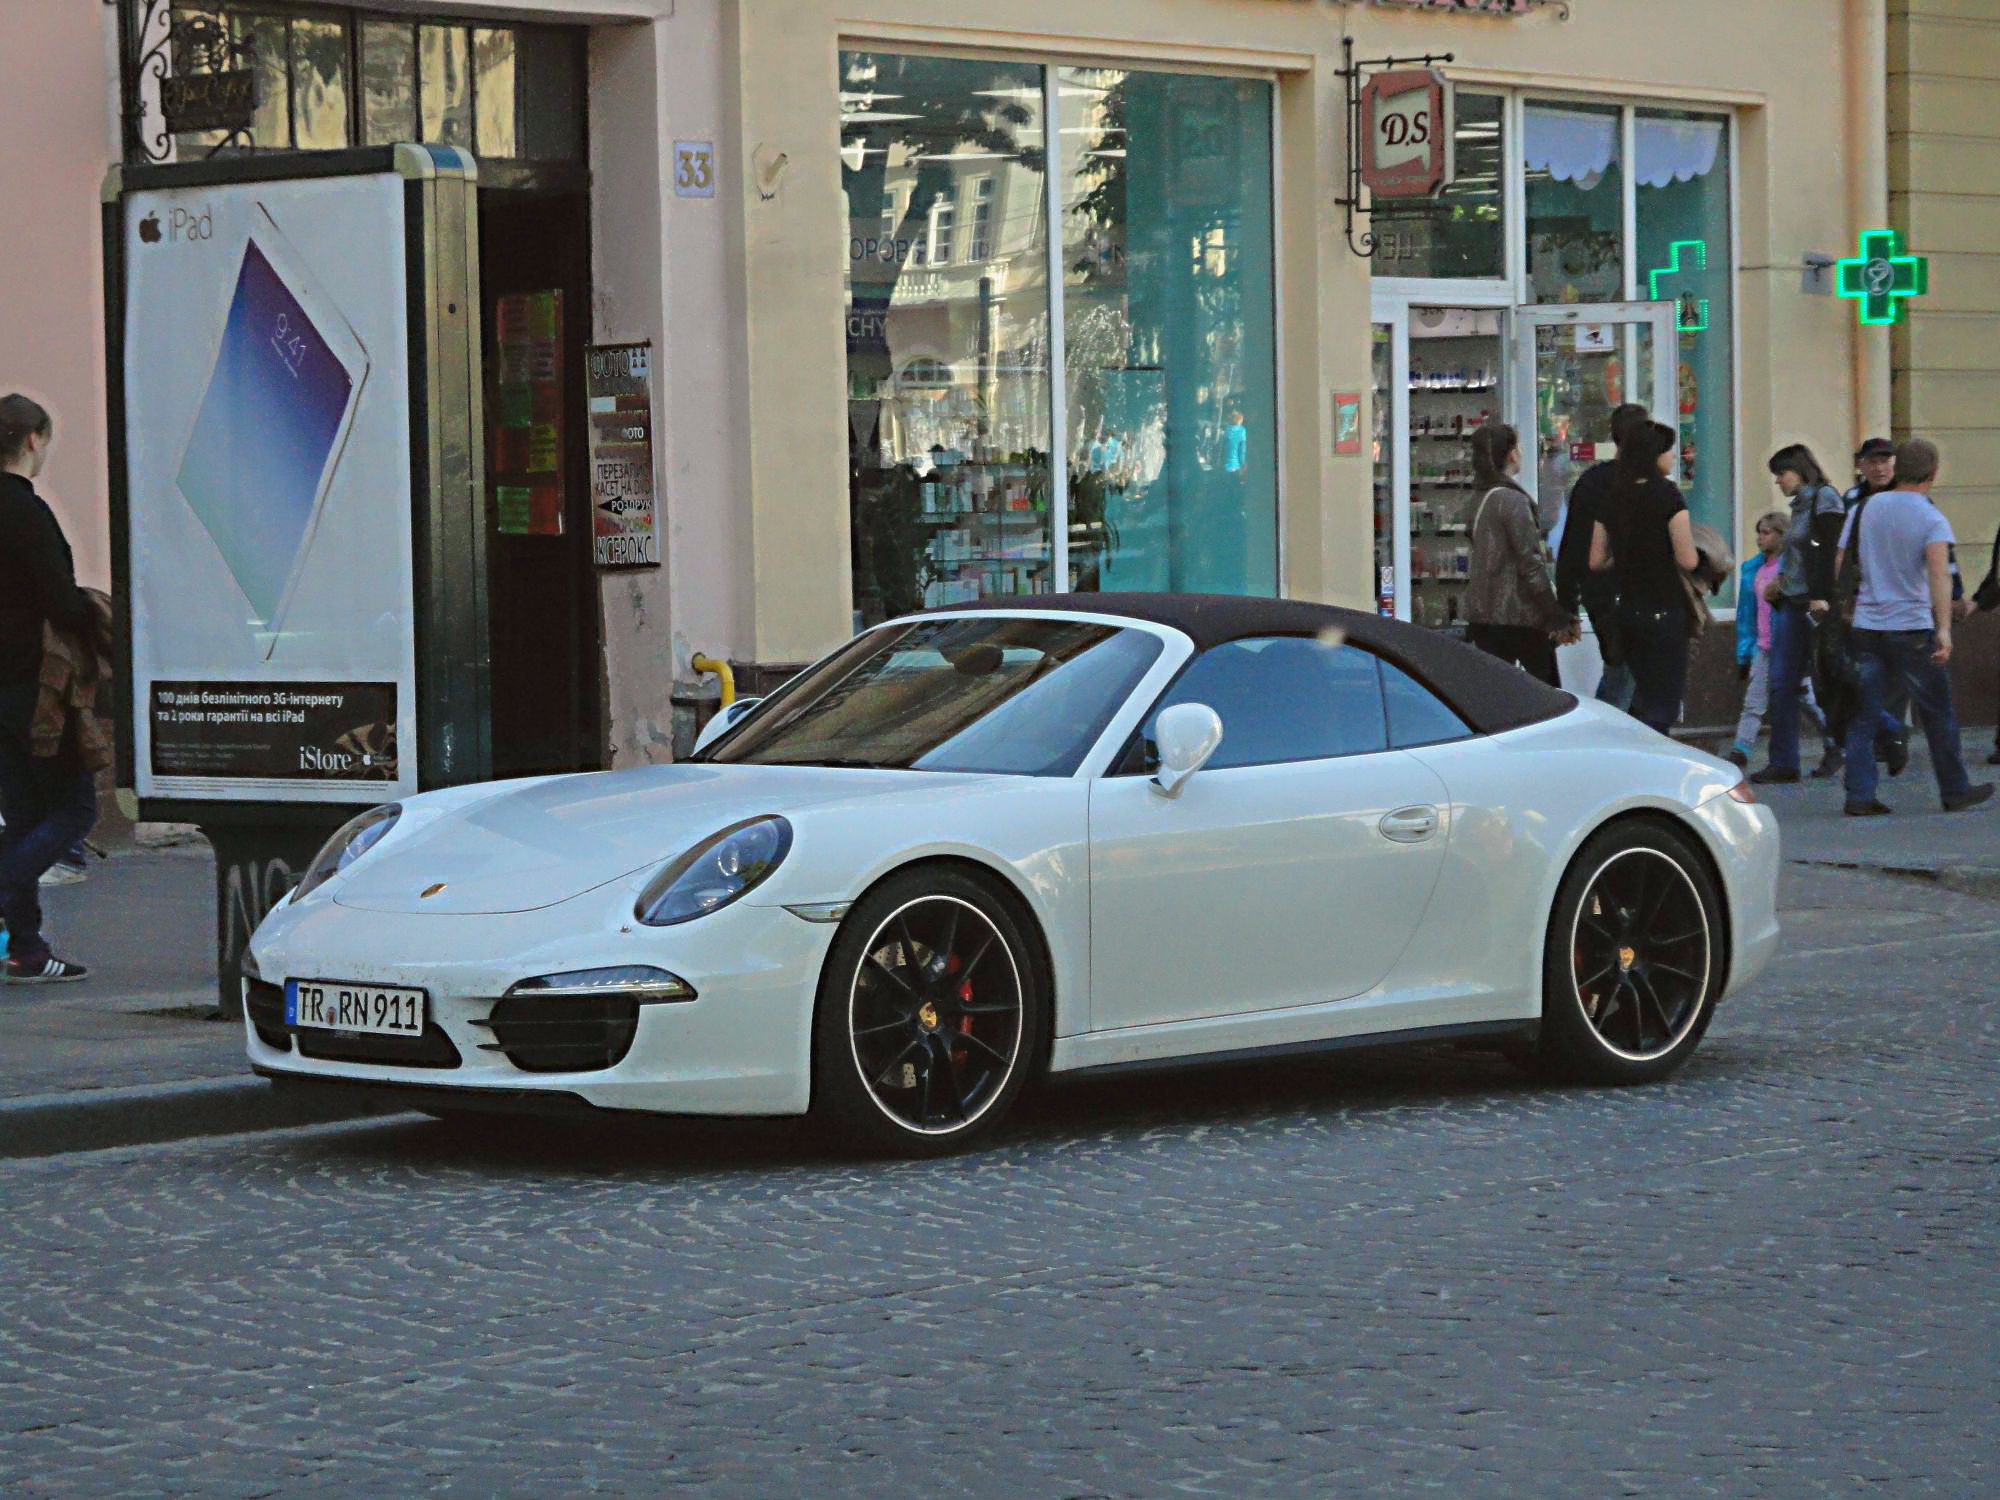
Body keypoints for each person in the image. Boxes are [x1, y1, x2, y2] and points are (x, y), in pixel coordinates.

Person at [1834, 438, 1990, 817]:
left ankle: (1859, 794)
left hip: (1868, 625)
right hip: (1912, 627)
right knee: (1937, 711)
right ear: (1933, 474)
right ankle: (1955, 789)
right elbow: (1938, 573)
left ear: (1897, 468)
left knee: (1864, 711)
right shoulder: (1930, 517)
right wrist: (1944, 629)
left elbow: (1846, 557)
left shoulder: (1869, 506)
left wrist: (1845, 605)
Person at [0, 395, 96, 981]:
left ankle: (27, 950)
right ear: (34, 440)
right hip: (32, 686)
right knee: (74, 807)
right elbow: (60, 600)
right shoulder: (26, 513)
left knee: (24, 813)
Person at [1589, 420, 1699, 734]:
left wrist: (1626, 559)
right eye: (1668, 452)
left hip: (1628, 610)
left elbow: (1596, 560)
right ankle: (1657, 760)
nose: (1673, 457)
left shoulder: (1612, 497)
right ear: (1654, 455)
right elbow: (1687, 559)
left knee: (1641, 695)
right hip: (1664, 610)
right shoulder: (1667, 495)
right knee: (1663, 701)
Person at [1750, 444, 1851, 784]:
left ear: (1800, 470)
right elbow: (1799, 555)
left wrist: (1822, 596)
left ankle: (1885, 732)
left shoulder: (1826, 499)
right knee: (1782, 684)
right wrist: (1781, 580)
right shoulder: (1801, 506)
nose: (1778, 481)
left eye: (1782, 473)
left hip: (1815, 606)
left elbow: (1830, 553)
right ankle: (1784, 762)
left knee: (1831, 679)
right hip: (1792, 604)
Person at [1464, 424, 1577, 686]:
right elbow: (1530, 565)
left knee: (1498, 696)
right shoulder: (1512, 501)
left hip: (1485, 617)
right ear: (1511, 454)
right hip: (1519, 618)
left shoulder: (1479, 498)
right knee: (1548, 697)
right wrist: (1555, 614)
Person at [1554, 403, 1650, 711]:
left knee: (1621, 669)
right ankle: (1604, 732)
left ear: (1614, 436)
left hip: (1602, 596)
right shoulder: (1649, 485)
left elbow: (1571, 549)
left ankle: (1622, 737)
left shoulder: (1592, 482)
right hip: (1639, 595)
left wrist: (1568, 604)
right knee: (1624, 676)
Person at [1728, 511, 1829, 768]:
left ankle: (1835, 740)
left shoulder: (1790, 568)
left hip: (1788, 645)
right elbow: (1746, 614)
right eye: (1758, 533)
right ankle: (1741, 749)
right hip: (1763, 646)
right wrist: (1744, 651)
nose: (1760, 538)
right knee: (1753, 701)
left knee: (1806, 699)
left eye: (1766, 532)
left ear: (1782, 535)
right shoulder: (1754, 569)